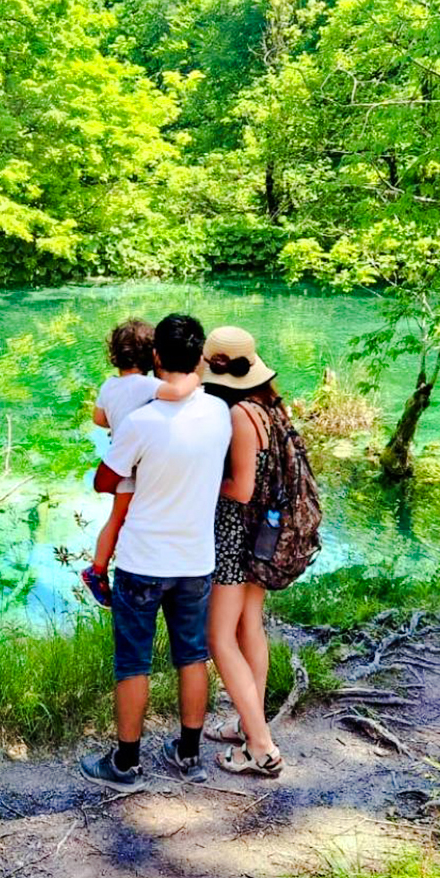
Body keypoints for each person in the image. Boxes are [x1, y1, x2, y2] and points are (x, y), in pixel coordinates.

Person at [80, 314, 231, 790]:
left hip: (143, 562)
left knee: (133, 662)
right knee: (192, 656)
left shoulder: (143, 422)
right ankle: (189, 754)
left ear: (157, 359)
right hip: (194, 560)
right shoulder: (219, 413)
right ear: (200, 358)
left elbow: (106, 480)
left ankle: (125, 764)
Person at [198, 327, 284, 778]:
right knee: (250, 626)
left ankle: (262, 747)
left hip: (236, 536)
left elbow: (243, 489)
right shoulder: (269, 407)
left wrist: (202, 483)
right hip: (263, 537)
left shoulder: (238, 416)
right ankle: (250, 724)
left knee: (218, 638)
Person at [82, 319, 201, 605]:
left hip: (122, 460)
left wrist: (117, 418)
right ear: (152, 354)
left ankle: (100, 569)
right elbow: (178, 393)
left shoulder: (110, 385)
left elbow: (98, 419)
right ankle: (96, 571)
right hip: (133, 467)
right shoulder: (147, 385)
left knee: (120, 517)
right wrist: (197, 375)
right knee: (123, 518)